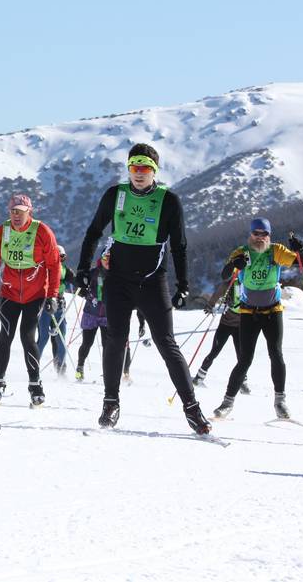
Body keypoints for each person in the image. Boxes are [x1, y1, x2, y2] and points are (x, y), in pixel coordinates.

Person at [77, 142, 211, 433]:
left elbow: (180, 246)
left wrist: (184, 284)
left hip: (152, 281)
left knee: (166, 343)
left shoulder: (169, 200)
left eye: (145, 168)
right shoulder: (115, 195)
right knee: (115, 339)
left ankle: (192, 409)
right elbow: (93, 232)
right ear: (128, 169)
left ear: (154, 171)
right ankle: (110, 402)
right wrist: (83, 270)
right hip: (118, 281)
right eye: (134, 167)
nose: (139, 173)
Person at [212, 218, 303, 420]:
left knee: (276, 354)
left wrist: (301, 249)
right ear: (250, 235)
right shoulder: (242, 252)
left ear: (269, 235)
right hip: (248, 313)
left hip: (273, 311)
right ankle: (227, 403)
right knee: (245, 360)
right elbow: (224, 275)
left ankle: (280, 402)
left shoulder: (276, 251)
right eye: (256, 234)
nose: (259, 238)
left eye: (263, 234)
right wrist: (234, 265)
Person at [0, 194, 60, 406]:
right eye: (13, 211)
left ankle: (35, 385)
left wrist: (52, 295)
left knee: (27, 336)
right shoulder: (2, 231)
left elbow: (53, 265)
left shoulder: (42, 231)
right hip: (9, 293)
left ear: (29, 212)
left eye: (20, 211)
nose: (16, 215)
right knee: (5, 336)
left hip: (35, 294)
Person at [74, 259, 133, 381]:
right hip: (91, 313)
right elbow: (80, 287)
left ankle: (107, 372)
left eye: (110, 259)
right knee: (87, 343)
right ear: (101, 260)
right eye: (105, 258)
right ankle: (80, 367)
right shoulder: (94, 273)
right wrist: (88, 296)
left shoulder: (116, 274)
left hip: (108, 315)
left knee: (107, 346)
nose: (108, 261)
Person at [192, 276, 248, 393]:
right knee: (217, 352)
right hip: (228, 325)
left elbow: (218, 292)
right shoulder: (231, 283)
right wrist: (210, 304)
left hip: (238, 326)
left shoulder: (246, 283)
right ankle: (199, 377)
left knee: (241, 356)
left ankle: (242, 382)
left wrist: (210, 305)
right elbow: (219, 292)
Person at [37, 245, 75, 374]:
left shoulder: (65, 270)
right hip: (45, 306)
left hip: (59, 306)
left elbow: (76, 281)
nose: (59, 259)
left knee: (61, 338)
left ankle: (61, 369)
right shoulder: (44, 269)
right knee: (43, 337)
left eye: (61, 257)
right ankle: (34, 367)